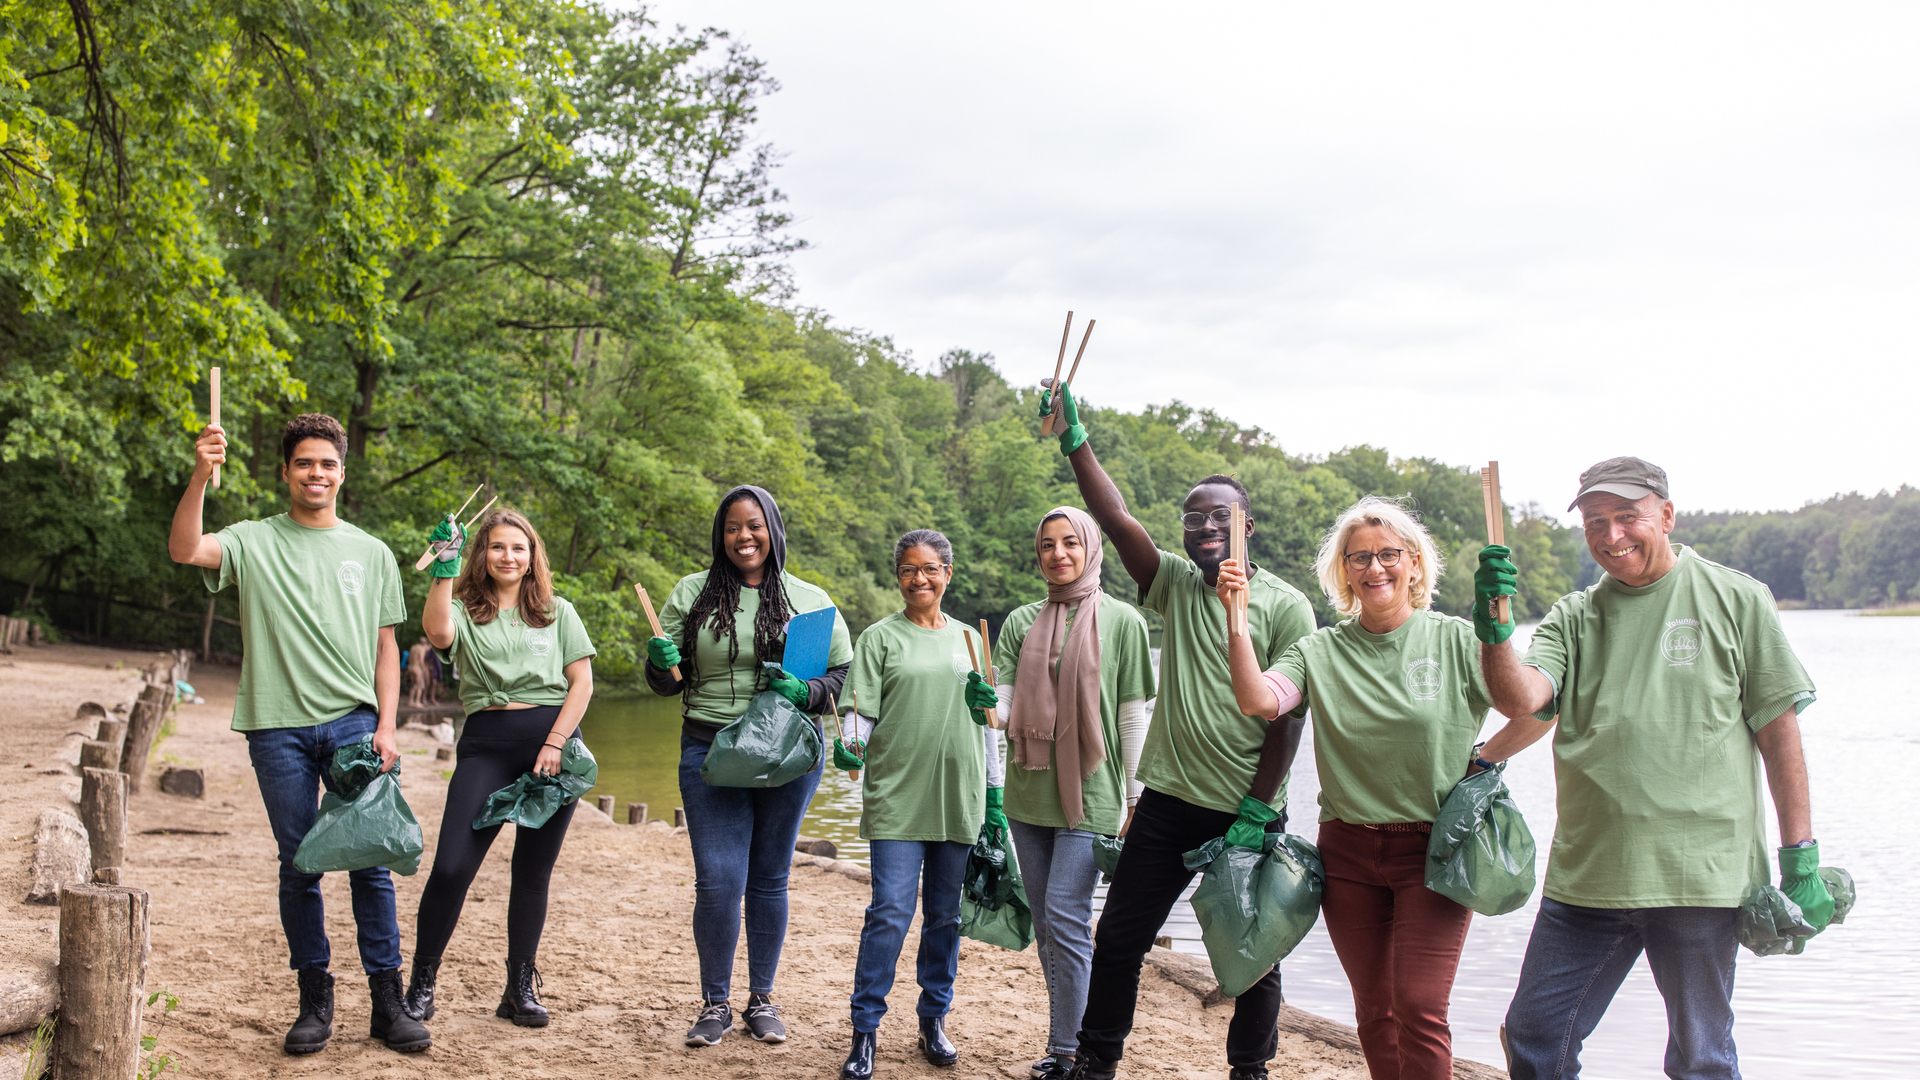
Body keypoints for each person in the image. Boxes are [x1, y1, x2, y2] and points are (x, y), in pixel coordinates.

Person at [1475, 457, 1827, 1080]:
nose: (1611, 536)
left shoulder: (1737, 598)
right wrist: (1497, 633)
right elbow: (1522, 699)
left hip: (1700, 877)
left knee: (1702, 1059)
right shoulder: (1573, 615)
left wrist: (1800, 854)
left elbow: (1779, 731)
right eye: (1595, 522)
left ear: (1666, 515)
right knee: (1535, 1037)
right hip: (1587, 875)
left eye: (1627, 517)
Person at [1043, 385, 1317, 1080]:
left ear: (1247, 526)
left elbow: (1288, 717)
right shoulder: (1172, 583)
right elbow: (1116, 516)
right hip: (1168, 802)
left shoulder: (1287, 608)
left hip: (1248, 810)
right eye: (1193, 518)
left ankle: (1249, 1068)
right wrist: (1076, 440)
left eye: (1218, 516)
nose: (1203, 527)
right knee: (1120, 936)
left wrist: (1258, 809)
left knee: (1252, 949)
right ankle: (1097, 1058)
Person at [1217, 496, 1542, 1080]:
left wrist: (1485, 759)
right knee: (1374, 1011)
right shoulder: (1320, 650)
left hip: (1434, 850)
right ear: (1343, 571)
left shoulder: (1457, 641)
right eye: (1359, 557)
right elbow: (1257, 699)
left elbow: (1538, 710)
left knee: (1419, 1003)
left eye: (1388, 554)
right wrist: (1236, 621)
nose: (1375, 568)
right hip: (1348, 853)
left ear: (1414, 563)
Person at [167, 413, 431, 1054]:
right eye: (305, 463)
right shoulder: (252, 539)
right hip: (275, 726)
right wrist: (201, 475)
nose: (317, 474)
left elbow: (386, 649)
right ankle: (315, 999)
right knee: (300, 864)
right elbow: (184, 548)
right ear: (285, 472)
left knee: (370, 862)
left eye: (329, 464)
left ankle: (387, 1003)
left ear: (342, 472)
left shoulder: (371, 553)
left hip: (354, 724)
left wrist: (387, 726)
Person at [646, 485, 853, 1047]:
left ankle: (762, 999)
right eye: (733, 527)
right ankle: (715, 1003)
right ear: (721, 534)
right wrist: (659, 665)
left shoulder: (810, 599)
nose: (744, 537)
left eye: (755, 526)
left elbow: (839, 679)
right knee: (718, 881)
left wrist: (804, 688)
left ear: (774, 530)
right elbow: (668, 683)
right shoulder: (691, 593)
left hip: (787, 752)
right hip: (710, 749)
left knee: (769, 877)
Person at [404, 508, 596, 1030]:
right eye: (496, 547)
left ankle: (517, 989)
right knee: (450, 869)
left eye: (518, 547)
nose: (508, 556)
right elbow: (438, 633)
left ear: (533, 555)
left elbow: (581, 684)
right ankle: (422, 983)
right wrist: (442, 568)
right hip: (487, 745)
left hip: (553, 749)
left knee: (532, 874)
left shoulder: (558, 612)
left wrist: (557, 740)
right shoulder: (465, 609)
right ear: (481, 556)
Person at [990, 508, 1156, 1080]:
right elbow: (1006, 708)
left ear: (1090, 547)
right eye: (1046, 545)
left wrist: (1136, 798)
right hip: (1028, 794)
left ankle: (1074, 1050)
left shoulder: (1124, 621)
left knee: (1065, 913)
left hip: (1096, 794)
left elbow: (1134, 716)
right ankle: (1065, 1043)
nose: (1058, 554)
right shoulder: (1018, 622)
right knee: (1046, 924)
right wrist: (985, 707)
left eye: (1069, 543)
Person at [836, 528, 1005, 1080]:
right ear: (898, 576)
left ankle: (933, 1018)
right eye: (909, 569)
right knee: (888, 912)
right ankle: (865, 1030)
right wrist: (850, 745)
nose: (919, 578)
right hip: (897, 797)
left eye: (930, 568)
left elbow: (989, 728)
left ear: (948, 574)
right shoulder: (880, 638)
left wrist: (996, 796)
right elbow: (859, 714)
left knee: (945, 918)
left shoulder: (972, 640)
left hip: (959, 797)